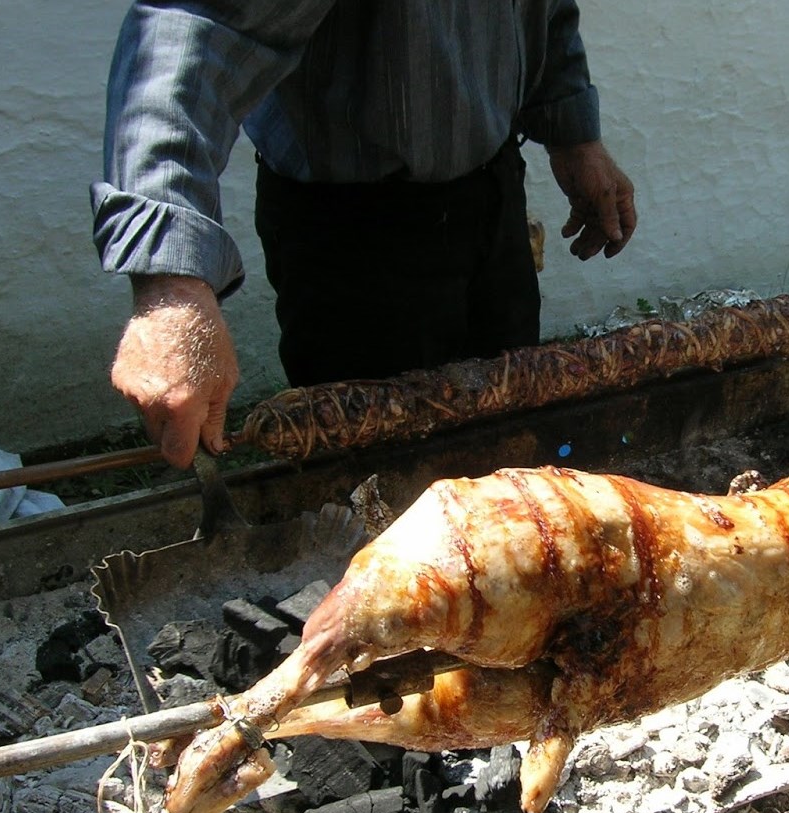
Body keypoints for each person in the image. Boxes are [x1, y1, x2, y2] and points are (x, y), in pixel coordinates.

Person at [91, 1, 637, 469]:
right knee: (380, 490)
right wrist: (172, 285)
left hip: (491, 195)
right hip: (355, 234)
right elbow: (200, 22)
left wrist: (572, 133)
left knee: (511, 446)